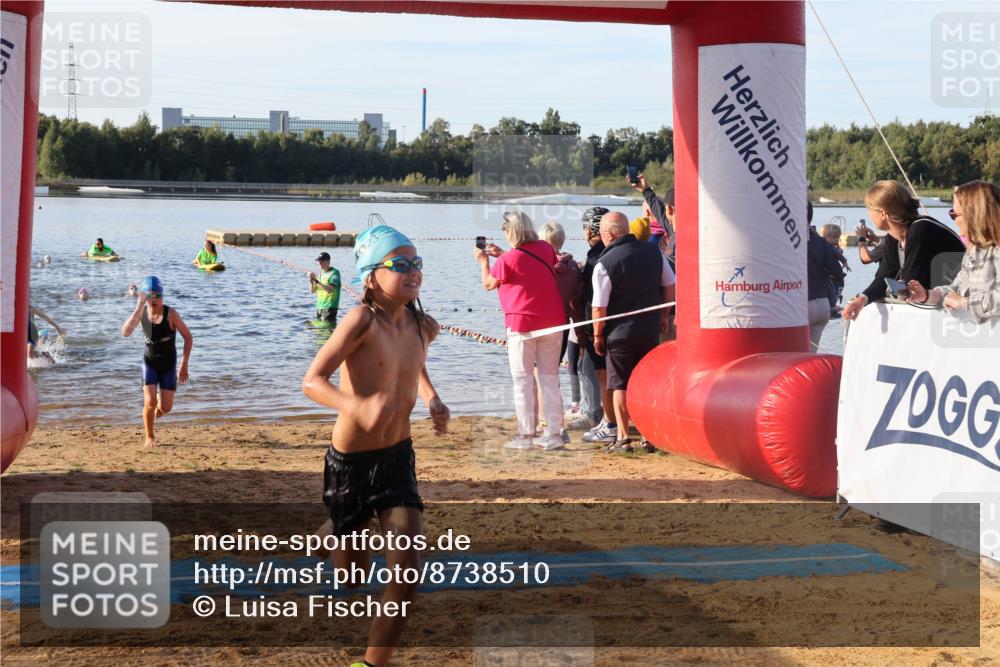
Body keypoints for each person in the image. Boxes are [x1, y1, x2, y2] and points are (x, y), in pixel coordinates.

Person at [302, 225, 449, 667]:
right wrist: (355, 406)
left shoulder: (425, 325)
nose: (412, 271)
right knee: (351, 578)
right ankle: (336, 530)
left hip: (397, 459)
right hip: (351, 463)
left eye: (416, 263)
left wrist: (432, 397)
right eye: (399, 264)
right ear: (370, 276)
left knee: (407, 568)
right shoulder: (359, 320)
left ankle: (370, 664)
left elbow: (413, 361)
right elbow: (312, 381)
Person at [475, 211, 566, 450]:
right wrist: (502, 255)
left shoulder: (507, 260)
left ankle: (526, 435)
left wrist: (484, 262)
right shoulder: (545, 248)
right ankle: (554, 434)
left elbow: (488, 284)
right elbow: (528, 263)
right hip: (553, 320)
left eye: (506, 232)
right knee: (550, 379)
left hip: (522, 324)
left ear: (511, 231)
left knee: (522, 380)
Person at [591, 211, 675, 453]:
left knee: (620, 384)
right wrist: (662, 316)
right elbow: (670, 284)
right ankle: (647, 435)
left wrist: (598, 335)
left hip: (619, 333)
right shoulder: (653, 252)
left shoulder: (604, 264)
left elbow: (599, 306)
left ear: (608, 234)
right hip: (648, 328)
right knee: (645, 382)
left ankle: (623, 436)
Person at [842, 180, 965, 320]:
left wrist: (896, 287)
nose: (869, 215)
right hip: (942, 306)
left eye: (869, 209)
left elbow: (911, 282)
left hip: (959, 305)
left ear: (882, 213)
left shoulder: (921, 229)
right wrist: (862, 299)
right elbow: (884, 278)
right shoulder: (893, 238)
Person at [907, 180, 1000, 322]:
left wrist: (964, 303)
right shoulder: (974, 251)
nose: (953, 221)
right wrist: (926, 295)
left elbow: (962, 300)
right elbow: (955, 289)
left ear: (974, 215)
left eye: (954, 214)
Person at [121, 276, 193, 448]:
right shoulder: (141, 313)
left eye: (158, 296)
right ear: (144, 297)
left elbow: (188, 338)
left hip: (168, 364)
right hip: (150, 362)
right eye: (150, 297)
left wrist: (184, 364)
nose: (155, 300)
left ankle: (159, 406)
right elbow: (125, 333)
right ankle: (150, 435)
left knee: (165, 408)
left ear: (163, 297)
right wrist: (138, 307)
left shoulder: (171, 314)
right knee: (150, 402)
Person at [571, 207, 613, 435]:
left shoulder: (595, 255)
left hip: (596, 322)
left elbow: (591, 295)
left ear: (588, 230)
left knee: (589, 369)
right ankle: (602, 414)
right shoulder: (610, 251)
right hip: (611, 321)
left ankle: (592, 414)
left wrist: (588, 330)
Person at [540, 221, 582, 435]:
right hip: (564, 323)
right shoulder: (573, 266)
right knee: (552, 371)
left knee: (542, 374)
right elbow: (576, 299)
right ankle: (553, 417)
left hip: (543, 324)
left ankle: (546, 419)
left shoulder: (541, 266)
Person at [807, 204, 843, 349]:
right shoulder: (822, 243)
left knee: (794, 359)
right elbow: (838, 273)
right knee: (811, 354)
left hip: (802, 305)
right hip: (823, 305)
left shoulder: (790, 242)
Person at [819, 222, 849, 316]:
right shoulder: (829, 248)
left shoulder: (830, 247)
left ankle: (832, 306)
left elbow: (838, 255)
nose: (837, 240)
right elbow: (838, 255)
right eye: (835, 237)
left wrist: (844, 262)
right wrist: (844, 261)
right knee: (833, 292)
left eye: (838, 237)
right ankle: (832, 307)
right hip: (832, 276)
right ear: (826, 237)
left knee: (834, 292)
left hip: (834, 276)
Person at [308, 251, 342, 325]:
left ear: (328, 262)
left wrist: (316, 281)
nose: (319, 263)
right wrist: (311, 281)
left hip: (330, 306)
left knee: (325, 328)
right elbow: (312, 290)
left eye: (321, 261)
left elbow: (329, 289)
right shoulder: (320, 274)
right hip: (320, 307)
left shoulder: (335, 273)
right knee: (319, 331)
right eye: (318, 261)